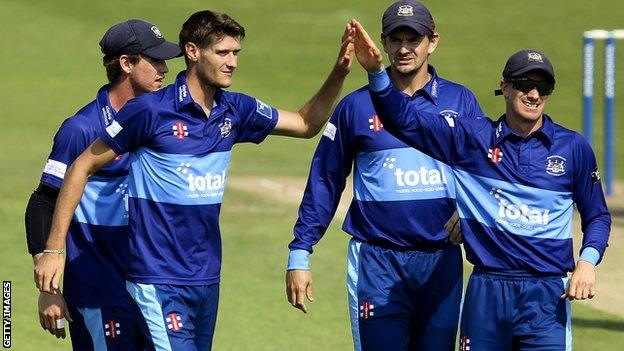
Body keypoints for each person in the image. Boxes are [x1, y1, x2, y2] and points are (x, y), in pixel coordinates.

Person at [34, 10, 354, 351]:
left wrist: (338, 73)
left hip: (205, 280)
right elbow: (80, 167)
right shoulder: (149, 111)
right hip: (156, 279)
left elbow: (306, 124)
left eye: (235, 53)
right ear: (192, 52)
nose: (232, 62)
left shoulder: (236, 110)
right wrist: (53, 251)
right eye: (222, 53)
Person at [352, 19, 611, 350]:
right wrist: (376, 74)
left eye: (543, 87)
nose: (533, 94)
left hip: (547, 298)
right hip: (486, 294)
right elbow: (405, 120)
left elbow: (597, 216)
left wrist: (587, 262)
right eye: (524, 83)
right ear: (504, 87)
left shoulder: (573, 148)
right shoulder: (472, 140)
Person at [285, 2, 483, 350]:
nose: (404, 48)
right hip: (377, 263)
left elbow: (487, 172)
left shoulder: (461, 101)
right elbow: (325, 181)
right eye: (396, 39)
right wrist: (301, 251)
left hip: (442, 262)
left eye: (414, 38)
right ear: (383, 43)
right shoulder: (356, 107)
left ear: (432, 41)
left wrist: (471, 212)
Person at [24, 19, 180, 349]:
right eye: (155, 60)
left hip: (154, 287)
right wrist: (48, 288)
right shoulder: (82, 129)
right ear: (126, 64)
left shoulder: (162, 121)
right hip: (100, 290)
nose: (165, 69)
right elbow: (43, 202)